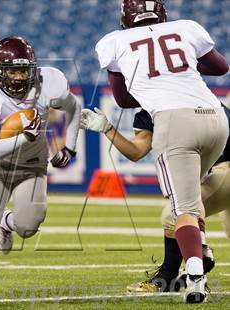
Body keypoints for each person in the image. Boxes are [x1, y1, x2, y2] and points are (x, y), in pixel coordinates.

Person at [94, 0, 229, 303]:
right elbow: (221, 67)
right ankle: (200, 248)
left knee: (181, 210)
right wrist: (183, 66)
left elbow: (123, 98)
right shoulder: (186, 28)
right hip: (215, 117)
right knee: (191, 197)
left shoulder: (114, 42)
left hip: (174, 121)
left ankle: (195, 277)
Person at [0, 36, 81, 299]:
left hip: (32, 164)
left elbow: (74, 107)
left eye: (23, 70)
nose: (18, 77)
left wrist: (70, 146)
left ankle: (7, 223)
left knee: (29, 226)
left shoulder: (47, 83)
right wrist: (24, 137)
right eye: (12, 71)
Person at [80, 105, 230, 293]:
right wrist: (108, 129)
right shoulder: (152, 111)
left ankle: (173, 274)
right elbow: (136, 151)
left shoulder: (192, 98)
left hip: (222, 169)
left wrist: (202, 164)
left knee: (174, 214)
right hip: (218, 172)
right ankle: (198, 256)